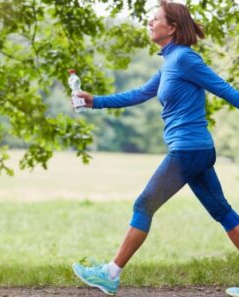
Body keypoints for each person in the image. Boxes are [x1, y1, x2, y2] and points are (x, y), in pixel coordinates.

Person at [72, 0, 239, 295]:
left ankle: (111, 274)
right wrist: (94, 101)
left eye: (155, 18)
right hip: (195, 151)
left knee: (143, 205)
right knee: (223, 212)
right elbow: (139, 94)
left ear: (172, 27)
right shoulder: (170, 63)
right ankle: (111, 273)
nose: (149, 22)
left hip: (188, 150)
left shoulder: (186, 59)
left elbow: (224, 89)